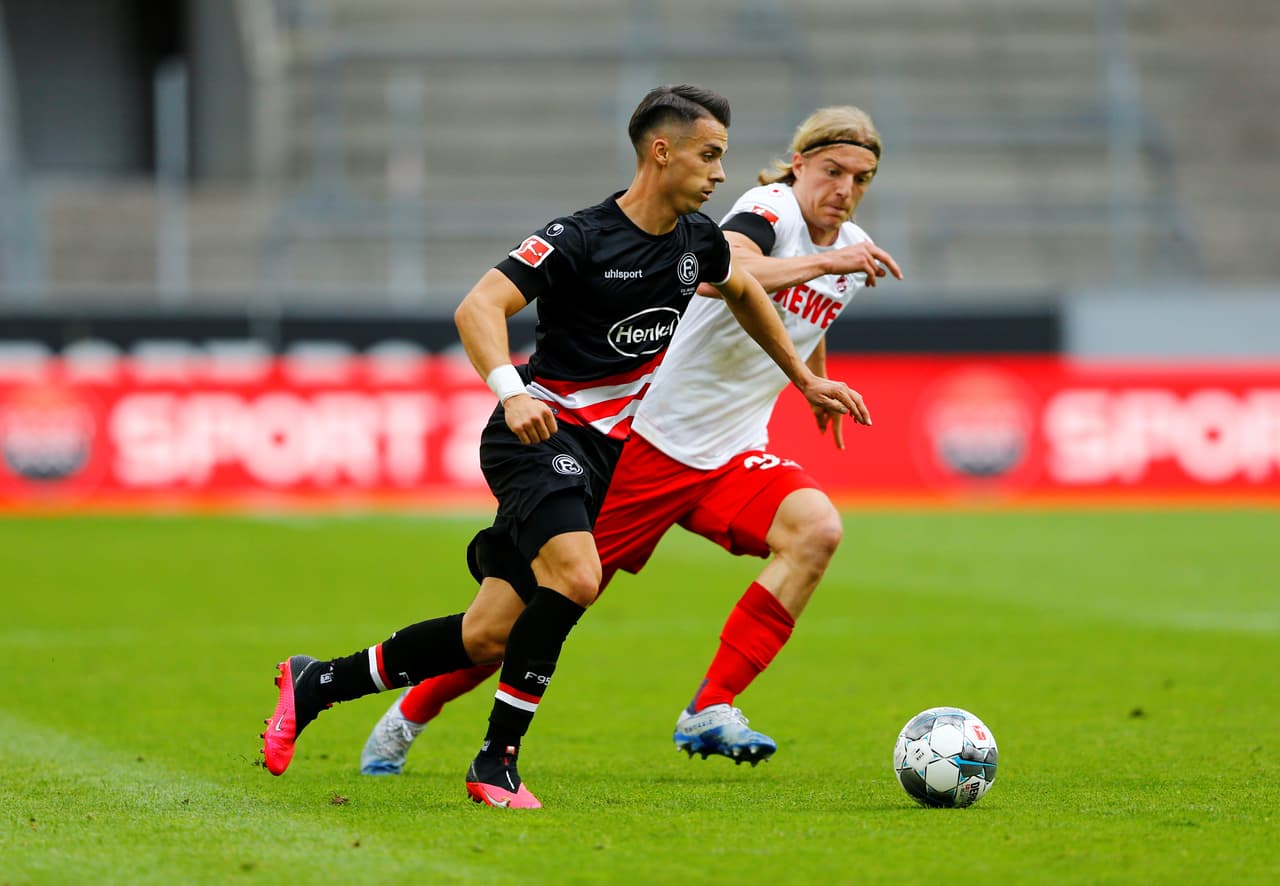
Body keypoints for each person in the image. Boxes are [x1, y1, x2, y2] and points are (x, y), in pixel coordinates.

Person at [260, 85, 865, 809]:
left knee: (488, 635)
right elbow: (478, 305)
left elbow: (741, 289)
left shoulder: (697, 240)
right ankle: (496, 763)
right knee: (577, 579)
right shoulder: (578, 237)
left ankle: (317, 682)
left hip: (606, 458)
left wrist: (803, 376)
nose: (721, 174)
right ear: (660, 151)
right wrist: (512, 390)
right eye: (710, 156)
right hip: (536, 433)